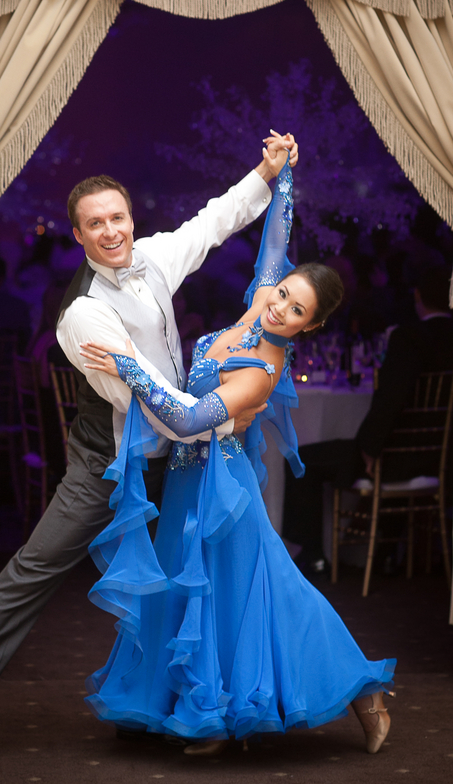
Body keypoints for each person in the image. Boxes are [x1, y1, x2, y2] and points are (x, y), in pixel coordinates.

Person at [0, 139, 295, 767]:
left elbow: (213, 221)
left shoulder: (149, 259)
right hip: (112, 462)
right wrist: (226, 414)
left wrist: (266, 173)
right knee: (32, 574)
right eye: (97, 223)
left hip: (172, 457)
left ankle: (145, 707)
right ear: (78, 236)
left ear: (129, 219)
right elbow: (156, 411)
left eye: (118, 217)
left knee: (171, 582)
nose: (112, 230)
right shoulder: (83, 316)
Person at [78, 140, 396, 757]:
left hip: (225, 488)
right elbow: (274, 247)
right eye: (281, 295)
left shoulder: (262, 370)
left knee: (268, 591)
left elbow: (191, 416)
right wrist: (284, 178)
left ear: (310, 326)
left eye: (294, 309)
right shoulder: (259, 305)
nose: (278, 306)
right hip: (189, 483)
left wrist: (130, 367)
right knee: (189, 591)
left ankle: (355, 691)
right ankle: (194, 702)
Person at [282, 265, 453, 572]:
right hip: (442, 457)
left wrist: (370, 447)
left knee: (300, 461)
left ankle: (313, 554)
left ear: (418, 297)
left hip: (394, 457)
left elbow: (390, 399)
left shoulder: (409, 338)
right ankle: (380, 553)